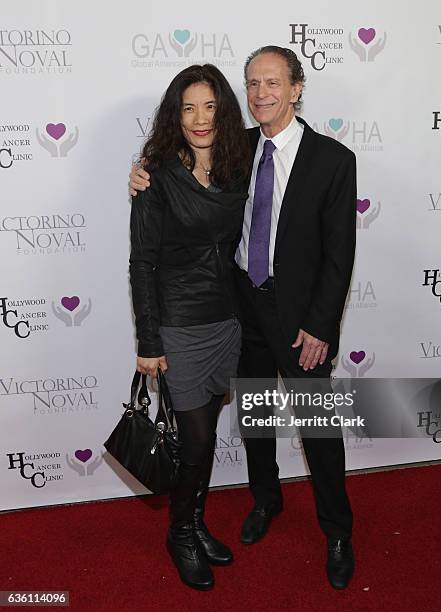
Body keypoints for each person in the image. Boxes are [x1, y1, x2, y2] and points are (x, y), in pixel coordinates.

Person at [130, 46, 357, 590]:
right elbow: (182, 182)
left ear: (296, 87)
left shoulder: (333, 159)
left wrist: (321, 325)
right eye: (252, 84)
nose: (261, 94)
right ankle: (265, 500)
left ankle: (339, 532)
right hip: (242, 310)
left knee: (319, 427)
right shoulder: (237, 148)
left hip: (303, 318)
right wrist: (143, 174)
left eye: (273, 83)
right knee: (256, 418)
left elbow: (339, 254)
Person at [128, 63, 250, 591]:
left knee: (203, 438)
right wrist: (149, 340)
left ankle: (195, 524)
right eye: (188, 108)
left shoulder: (236, 162)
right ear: (174, 115)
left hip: (227, 320)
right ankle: (180, 533)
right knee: (196, 441)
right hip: (178, 324)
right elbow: (142, 263)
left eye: (209, 107)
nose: (200, 119)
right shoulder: (156, 174)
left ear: (223, 111)